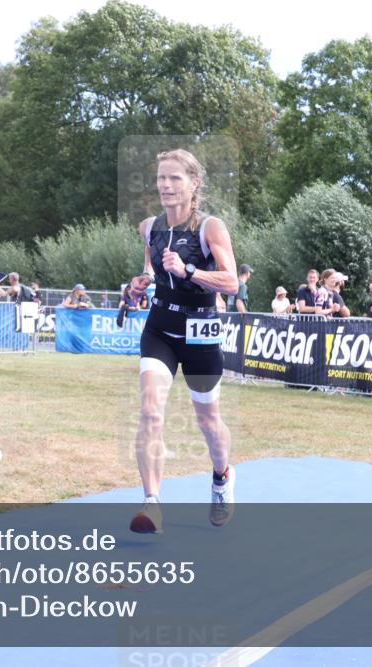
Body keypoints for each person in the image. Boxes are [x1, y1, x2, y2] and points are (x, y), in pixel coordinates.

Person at [123, 149, 240, 534]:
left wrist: (189, 270)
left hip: (200, 332)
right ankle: (152, 504)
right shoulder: (149, 228)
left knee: (208, 421)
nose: (166, 185)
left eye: (175, 178)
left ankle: (222, 476)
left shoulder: (210, 228)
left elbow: (231, 282)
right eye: (161, 178)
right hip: (160, 329)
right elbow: (150, 267)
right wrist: (139, 282)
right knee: (151, 411)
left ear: (194, 184)